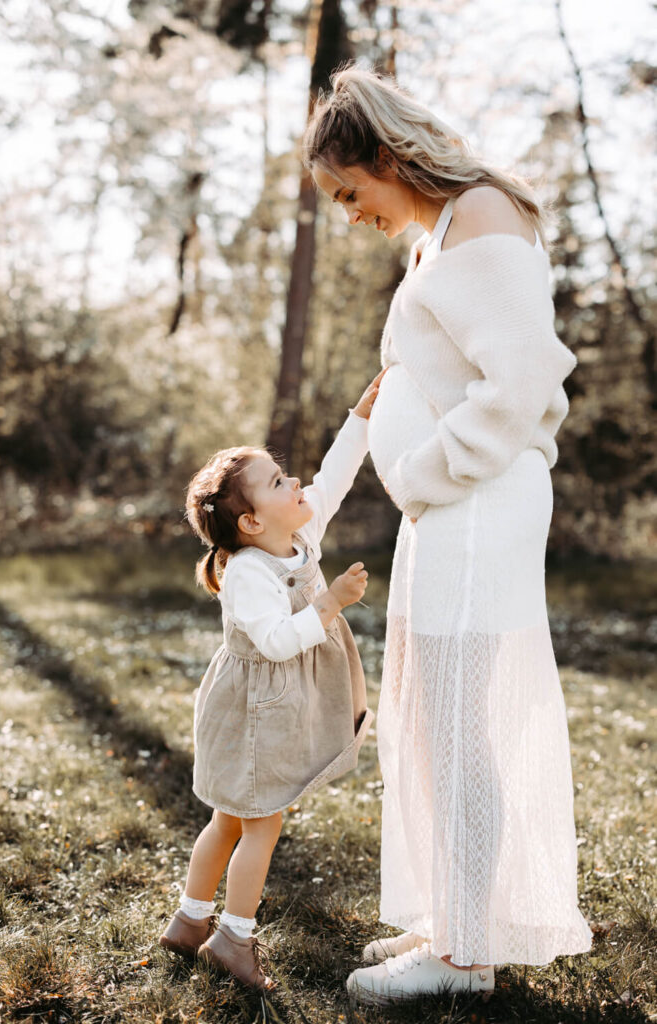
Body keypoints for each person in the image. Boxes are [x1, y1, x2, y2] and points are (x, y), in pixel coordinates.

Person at [304, 65, 593, 1006]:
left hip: (474, 505)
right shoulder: (439, 234)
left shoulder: (480, 216)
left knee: (461, 721)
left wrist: (422, 474)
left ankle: (466, 957)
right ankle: (452, 915)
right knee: (430, 716)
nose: (350, 215)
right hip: (448, 512)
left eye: (351, 192)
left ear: (388, 158)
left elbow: (520, 384)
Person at [158, 373, 383, 990]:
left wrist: (360, 417)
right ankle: (232, 936)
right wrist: (330, 604)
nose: (298, 484)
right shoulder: (249, 573)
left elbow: (334, 479)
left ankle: (188, 920)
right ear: (253, 523)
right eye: (281, 483)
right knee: (257, 820)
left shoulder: (298, 537)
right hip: (257, 710)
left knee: (229, 818)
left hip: (278, 706)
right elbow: (277, 642)